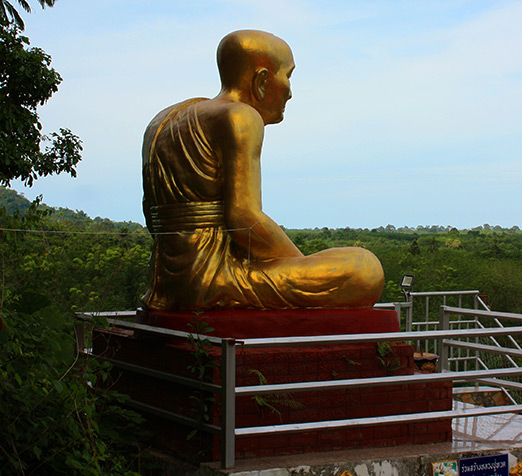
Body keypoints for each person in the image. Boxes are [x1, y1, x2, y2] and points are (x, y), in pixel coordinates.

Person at [141, 30, 384, 311]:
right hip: (214, 280)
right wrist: (297, 265)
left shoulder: (165, 119)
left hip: (164, 286)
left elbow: (151, 212)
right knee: (365, 270)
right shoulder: (240, 116)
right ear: (261, 80)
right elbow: (244, 217)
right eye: (288, 76)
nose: (290, 92)